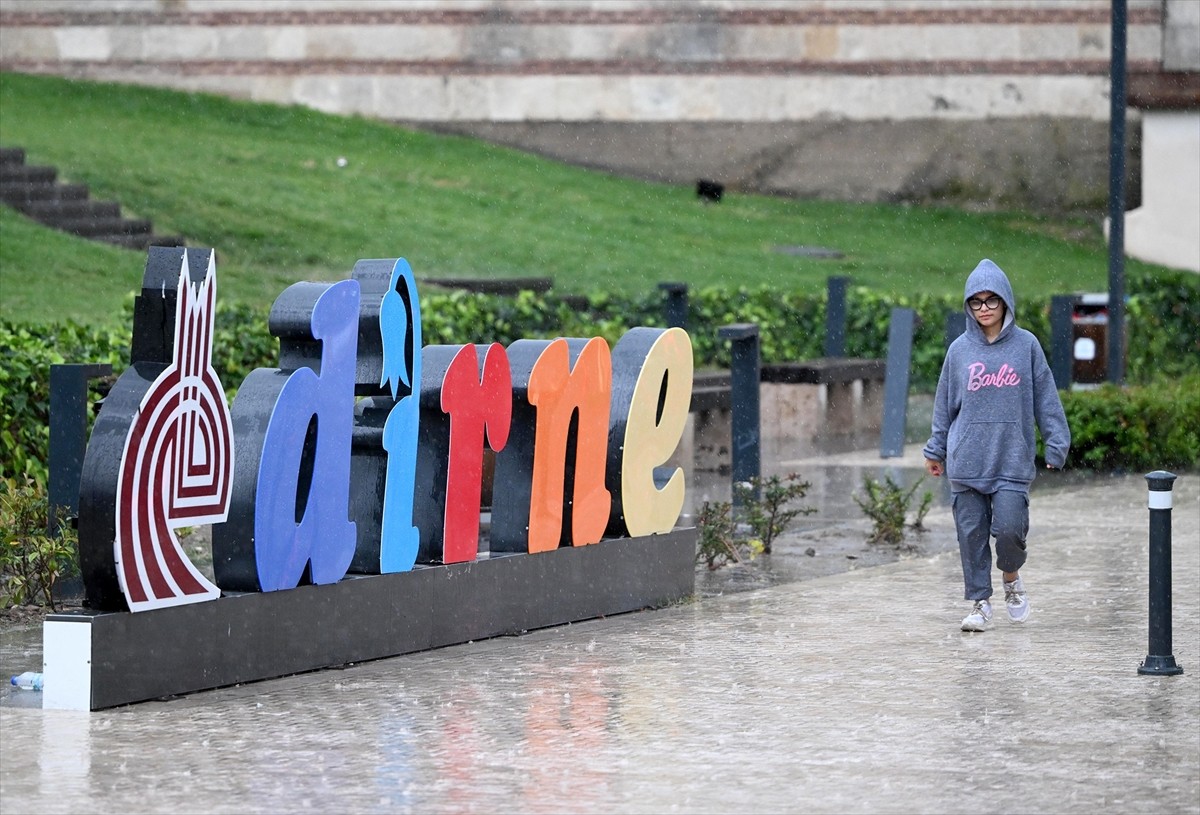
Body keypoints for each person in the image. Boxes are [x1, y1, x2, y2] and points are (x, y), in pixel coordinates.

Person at [923, 258, 1071, 632]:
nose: (984, 308)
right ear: (968, 305)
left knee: (1009, 530)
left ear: (1005, 301)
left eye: (992, 300)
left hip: (1011, 459)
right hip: (967, 460)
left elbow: (1045, 397)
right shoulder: (959, 350)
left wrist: (1056, 443)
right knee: (971, 536)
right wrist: (935, 449)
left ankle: (1011, 579)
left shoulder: (1026, 346)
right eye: (977, 302)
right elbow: (944, 404)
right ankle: (979, 603)